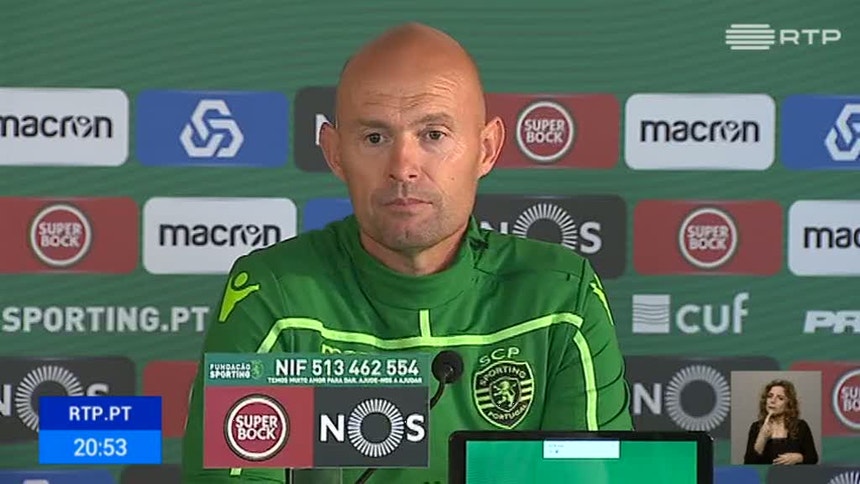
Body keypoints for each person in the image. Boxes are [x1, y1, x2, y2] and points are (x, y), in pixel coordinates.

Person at [181, 22, 633, 483]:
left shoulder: (560, 297)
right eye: (375, 138)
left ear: (486, 149)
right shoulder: (273, 296)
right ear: (335, 154)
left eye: (433, 134)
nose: (403, 168)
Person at [743, 379, 819, 465]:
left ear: (788, 404)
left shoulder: (801, 426)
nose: (772, 401)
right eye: (770, 396)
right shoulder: (756, 427)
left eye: (780, 398)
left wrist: (799, 458)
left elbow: (813, 458)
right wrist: (762, 438)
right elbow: (748, 464)